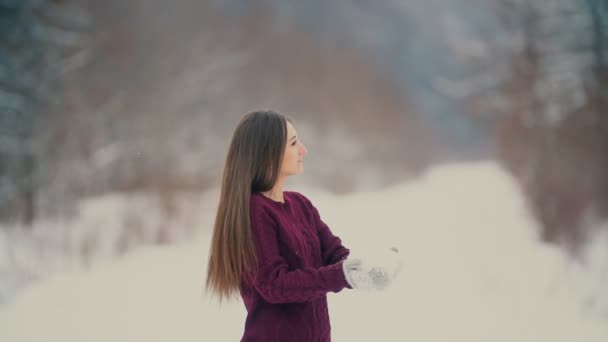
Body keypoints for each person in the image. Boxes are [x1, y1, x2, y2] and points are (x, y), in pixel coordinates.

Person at [205, 110, 401, 342]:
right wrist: (343, 274)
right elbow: (274, 284)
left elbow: (335, 254)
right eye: (294, 143)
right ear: (268, 153)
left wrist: (367, 267)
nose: (303, 150)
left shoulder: (300, 204)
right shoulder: (255, 210)